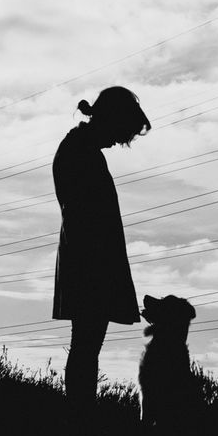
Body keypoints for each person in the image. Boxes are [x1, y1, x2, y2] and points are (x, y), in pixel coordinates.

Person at [52, 86, 151, 410]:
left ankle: (80, 421)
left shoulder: (83, 149)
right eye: (122, 132)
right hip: (90, 263)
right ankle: (79, 423)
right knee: (85, 345)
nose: (119, 141)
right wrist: (99, 263)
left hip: (92, 261)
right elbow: (83, 215)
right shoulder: (79, 151)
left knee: (87, 345)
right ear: (110, 119)